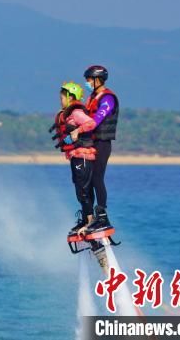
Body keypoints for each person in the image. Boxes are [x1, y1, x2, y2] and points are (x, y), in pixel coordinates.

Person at [51, 82, 97, 236]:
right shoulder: (67, 114)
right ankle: (86, 220)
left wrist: (77, 130)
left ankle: (91, 222)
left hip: (82, 155)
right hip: (76, 157)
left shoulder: (76, 113)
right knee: (80, 190)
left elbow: (91, 123)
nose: (60, 100)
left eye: (62, 97)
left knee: (83, 190)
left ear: (71, 97)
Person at [81, 65, 119, 234]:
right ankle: (88, 217)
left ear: (97, 80)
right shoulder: (92, 97)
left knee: (97, 178)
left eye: (89, 79)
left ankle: (102, 216)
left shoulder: (108, 98)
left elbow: (96, 119)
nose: (87, 83)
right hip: (90, 144)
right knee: (86, 180)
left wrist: (78, 131)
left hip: (102, 144)